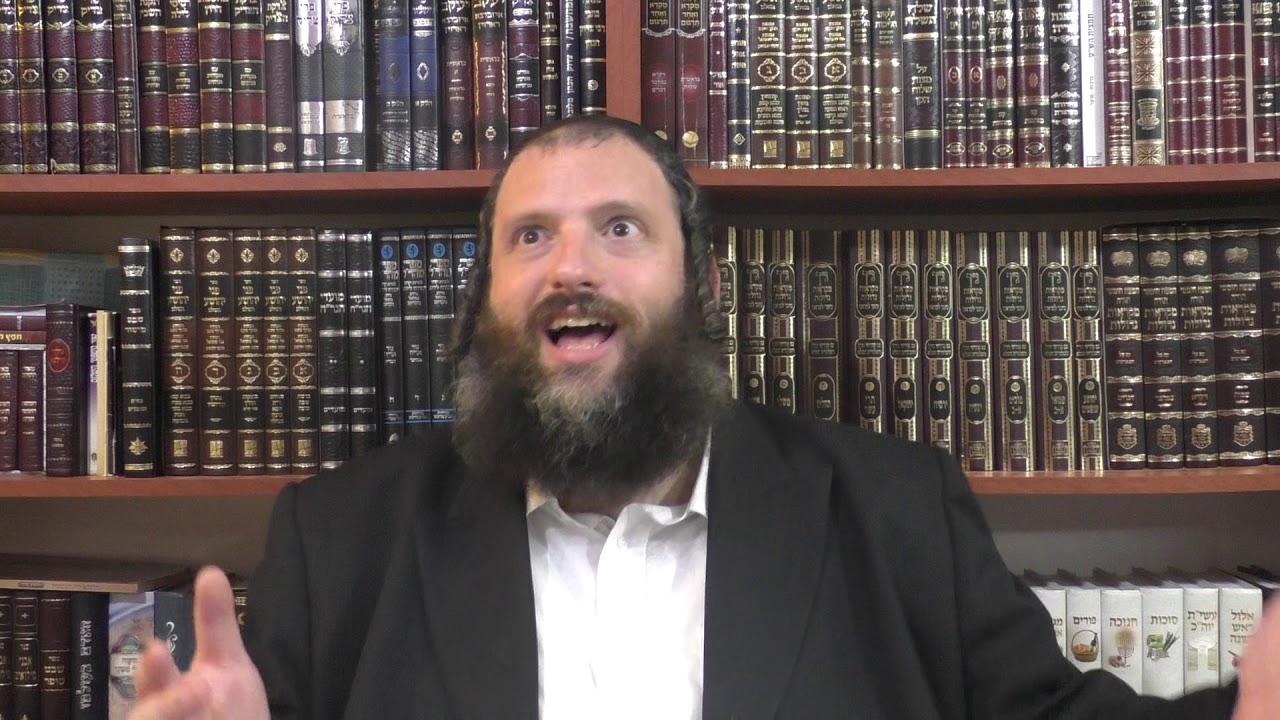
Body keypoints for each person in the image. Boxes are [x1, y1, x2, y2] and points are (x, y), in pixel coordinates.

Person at [129, 115, 1280, 719]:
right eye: (529, 238)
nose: (569, 267)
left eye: (618, 229)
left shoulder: (892, 512)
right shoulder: (345, 538)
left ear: (703, 285)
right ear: (485, 297)